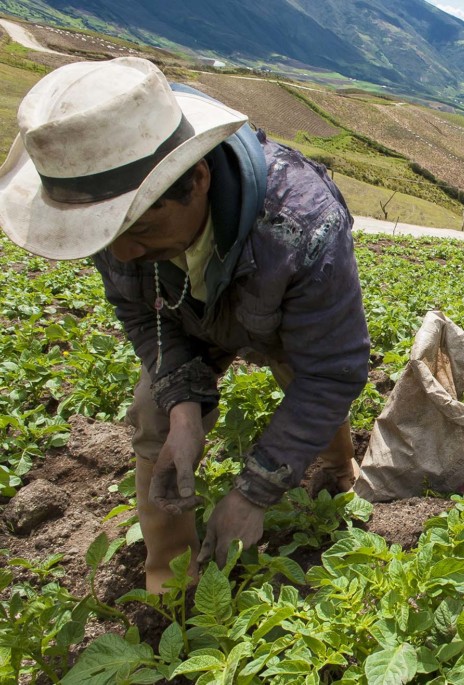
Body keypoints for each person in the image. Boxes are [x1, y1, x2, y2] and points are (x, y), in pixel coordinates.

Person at [0, 57, 370, 593]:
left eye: (142, 227)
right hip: (183, 315)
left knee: (303, 377)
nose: (123, 252)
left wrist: (253, 493)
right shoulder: (109, 216)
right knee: (153, 412)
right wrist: (182, 409)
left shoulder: (303, 226)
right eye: (109, 238)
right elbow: (139, 311)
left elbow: (332, 372)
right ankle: (172, 586)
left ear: (198, 178)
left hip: (276, 310)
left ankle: (338, 471)